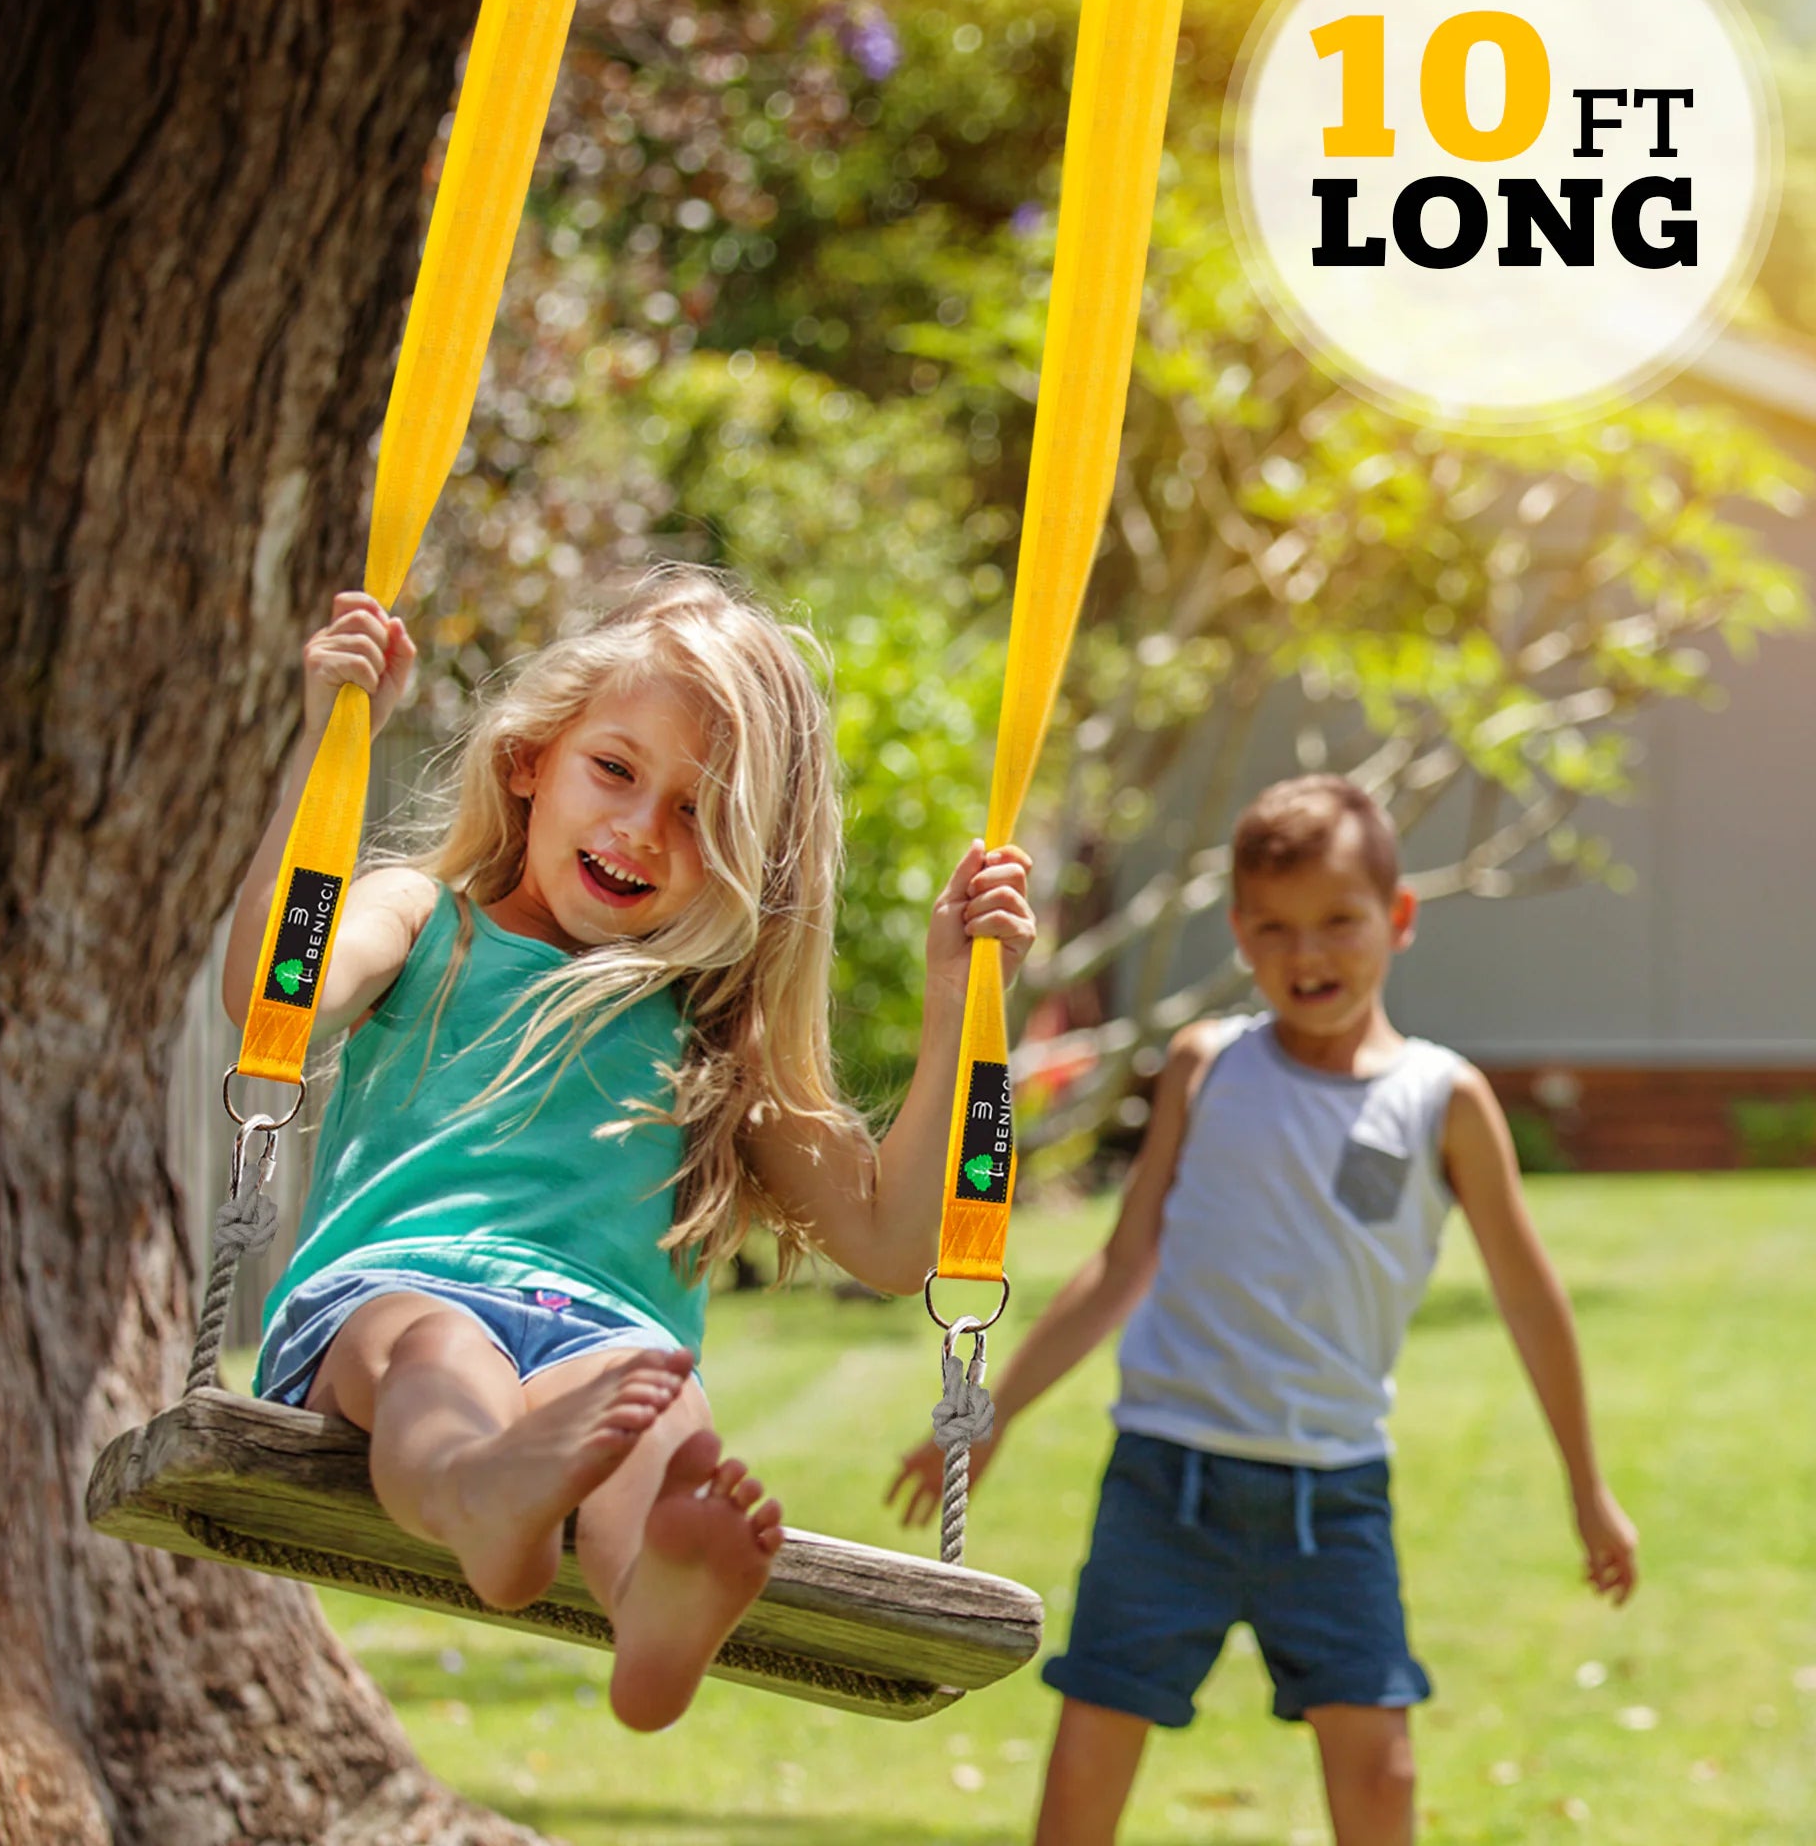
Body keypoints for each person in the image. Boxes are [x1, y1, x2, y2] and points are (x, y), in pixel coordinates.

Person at [225, 570, 1035, 1732]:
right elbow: (273, 993)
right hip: (394, 1294)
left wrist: (959, 1001)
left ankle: (649, 1606)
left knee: (651, 1414)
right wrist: (328, 741)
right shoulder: (421, 922)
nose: (639, 829)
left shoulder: (711, 1038)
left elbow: (893, 1240)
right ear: (528, 758)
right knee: (441, 1352)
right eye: (614, 769)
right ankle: (478, 1490)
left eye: (699, 814)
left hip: (607, 1336)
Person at [890, 774, 1636, 1845]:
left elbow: (1528, 1296)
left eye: (1338, 920)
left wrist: (1587, 1488)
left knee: (1379, 1777)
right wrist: (992, 1410)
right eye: (1275, 928)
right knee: (1084, 1770)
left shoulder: (1442, 1099)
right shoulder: (1206, 1067)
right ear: (1239, 932)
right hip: (1164, 1482)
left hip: (1330, 1500)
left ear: (1398, 918)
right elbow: (1120, 1261)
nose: (1308, 953)